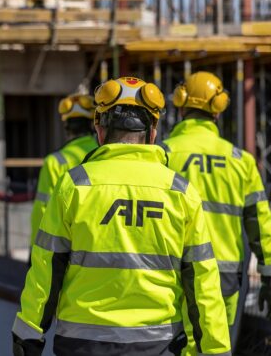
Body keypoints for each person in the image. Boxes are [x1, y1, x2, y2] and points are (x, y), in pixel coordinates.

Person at [12, 77, 230, 356]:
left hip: (82, 343)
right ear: (153, 133)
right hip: (158, 344)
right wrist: (216, 349)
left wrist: (28, 334)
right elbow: (203, 283)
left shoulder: (75, 186)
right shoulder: (180, 192)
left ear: (100, 131)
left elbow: (46, 270)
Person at [162, 71, 271, 352]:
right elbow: (261, 226)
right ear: (218, 111)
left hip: (172, 273)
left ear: (181, 105)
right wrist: (268, 275)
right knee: (216, 348)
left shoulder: (162, 155)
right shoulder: (241, 161)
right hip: (225, 276)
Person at [30, 93, 97, 245]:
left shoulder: (54, 162)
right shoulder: (105, 155)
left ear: (66, 127)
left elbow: (42, 211)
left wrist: (35, 248)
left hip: (67, 243)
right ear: (93, 125)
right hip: (99, 241)